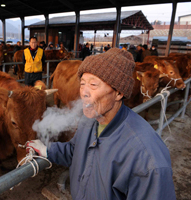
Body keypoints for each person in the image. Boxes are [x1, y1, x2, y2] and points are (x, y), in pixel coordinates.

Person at [27, 48, 176, 200]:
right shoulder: (89, 120)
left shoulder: (147, 159)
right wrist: (47, 150)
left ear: (119, 92)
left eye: (93, 85)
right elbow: (76, 151)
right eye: (82, 83)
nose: (83, 92)